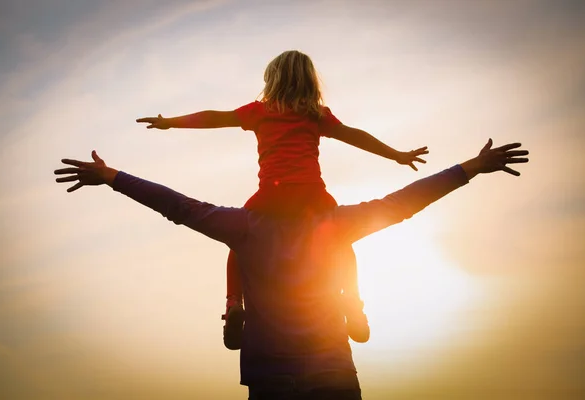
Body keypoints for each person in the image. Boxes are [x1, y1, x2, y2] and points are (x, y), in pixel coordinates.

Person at [54, 138, 528, 400]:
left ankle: (236, 308)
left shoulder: (243, 227)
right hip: (332, 371)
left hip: (268, 373)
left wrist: (113, 177)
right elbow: (402, 203)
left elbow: (180, 206)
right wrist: (469, 167)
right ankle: (351, 306)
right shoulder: (337, 225)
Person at [135, 50, 429, 350]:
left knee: (237, 239)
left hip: (271, 195)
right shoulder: (317, 115)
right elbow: (355, 136)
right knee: (343, 240)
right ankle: (351, 301)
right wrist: (397, 156)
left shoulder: (260, 111)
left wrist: (171, 121)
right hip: (312, 195)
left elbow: (214, 117)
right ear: (310, 82)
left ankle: (234, 303)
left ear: (273, 80)